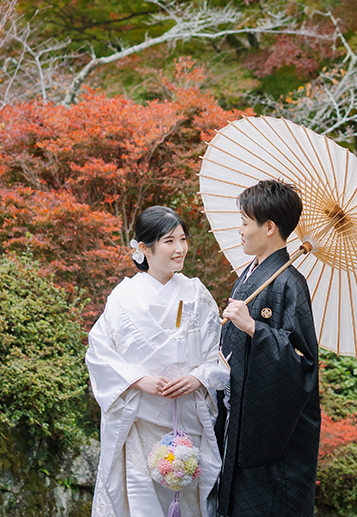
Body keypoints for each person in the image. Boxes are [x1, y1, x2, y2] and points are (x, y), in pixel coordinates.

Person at [86, 206, 229, 517]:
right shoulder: (123, 298)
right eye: (169, 241)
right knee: (139, 503)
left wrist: (198, 378)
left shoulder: (197, 294)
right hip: (139, 420)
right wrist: (139, 380)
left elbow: (217, 356)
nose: (180, 249)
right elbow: (99, 352)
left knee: (187, 502)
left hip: (186, 418)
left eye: (183, 239)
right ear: (143, 248)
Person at [216, 179, 320, 517]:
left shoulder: (290, 283)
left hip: (269, 443)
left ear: (269, 227)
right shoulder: (249, 276)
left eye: (245, 223)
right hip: (238, 421)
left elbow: (303, 363)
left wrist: (253, 328)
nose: (240, 230)